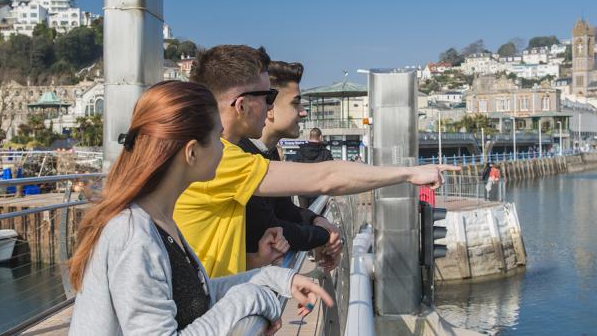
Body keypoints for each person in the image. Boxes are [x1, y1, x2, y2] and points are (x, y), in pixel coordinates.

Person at [68, 81, 333, 335]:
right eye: (218, 138)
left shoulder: (157, 220)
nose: (224, 148)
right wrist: (252, 297)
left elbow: (199, 295)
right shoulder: (132, 236)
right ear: (192, 152)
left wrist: (277, 279)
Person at [174, 45, 459, 278]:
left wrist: (254, 261)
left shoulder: (216, 153)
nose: (271, 106)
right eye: (268, 96)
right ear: (242, 105)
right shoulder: (220, 159)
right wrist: (409, 173)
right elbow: (326, 177)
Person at [238, 60, 341, 272]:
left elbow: (284, 208)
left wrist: (316, 219)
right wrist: (324, 236)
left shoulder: (269, 151)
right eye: (296, 103)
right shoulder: (239, 153)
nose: (303, 112)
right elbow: (267, 226)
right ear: (269, 108)